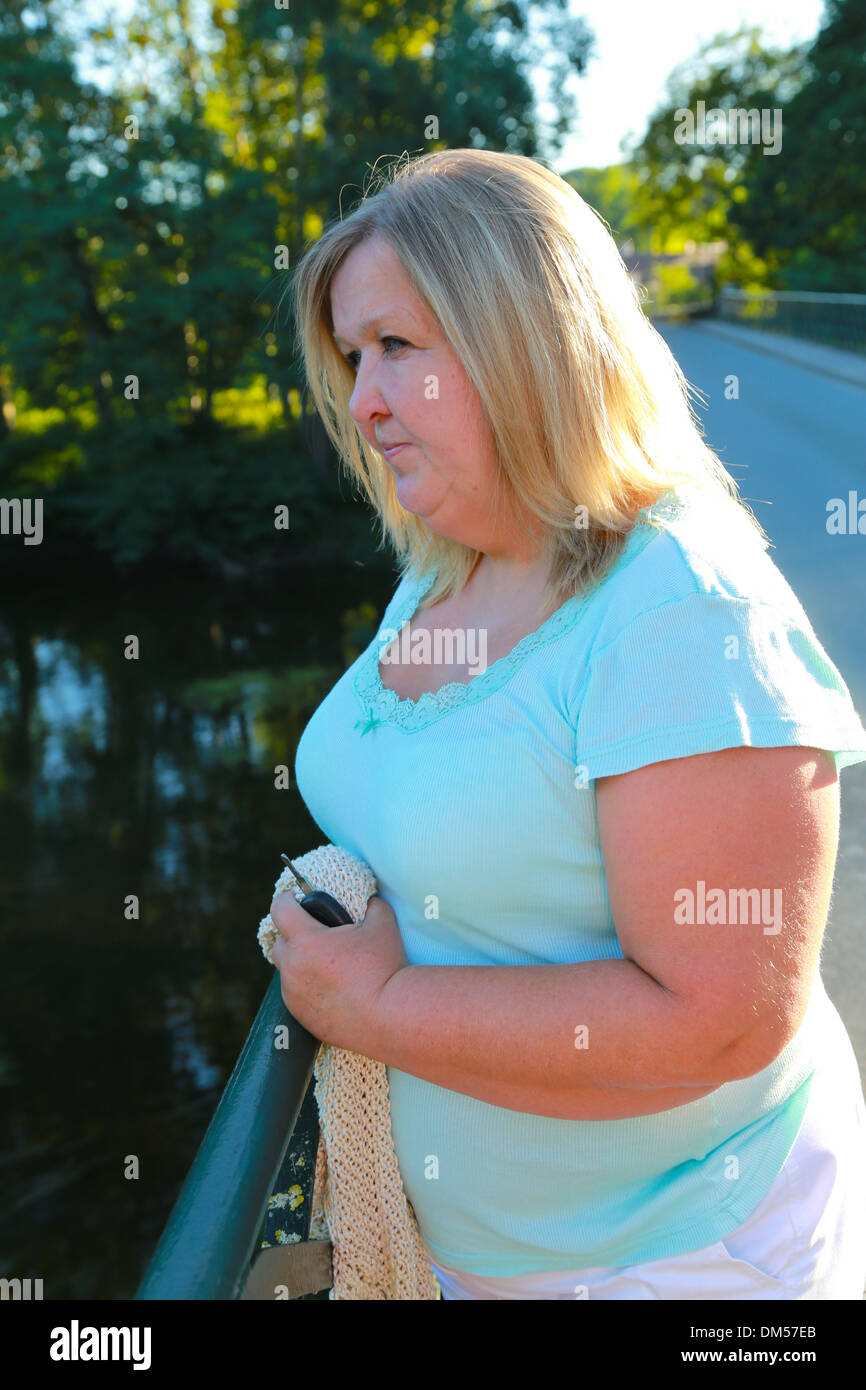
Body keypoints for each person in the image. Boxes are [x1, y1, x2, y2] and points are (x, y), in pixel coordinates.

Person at [274, 148, 866, 1299]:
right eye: (352, 358)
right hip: (475, 1257)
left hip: (674, 1268)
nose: (362, 400)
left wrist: (379, 1004)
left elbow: (717, 1019)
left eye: (397, 347)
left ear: (521, 338)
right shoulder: (447, 562)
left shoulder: (681, 607)